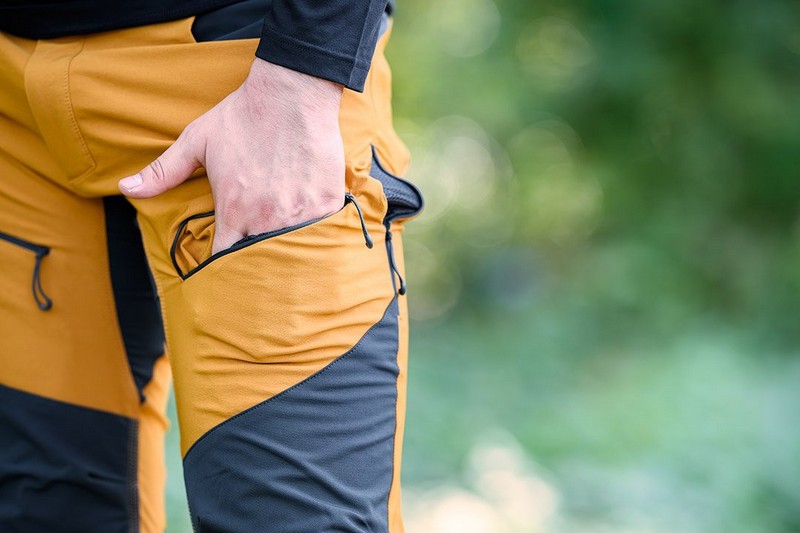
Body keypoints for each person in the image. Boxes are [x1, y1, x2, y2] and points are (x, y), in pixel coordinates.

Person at [0, 0, 423, 531]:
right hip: (14, 107)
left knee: (292, 518)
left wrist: (304, 73)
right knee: (49, 511)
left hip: (248, 78)